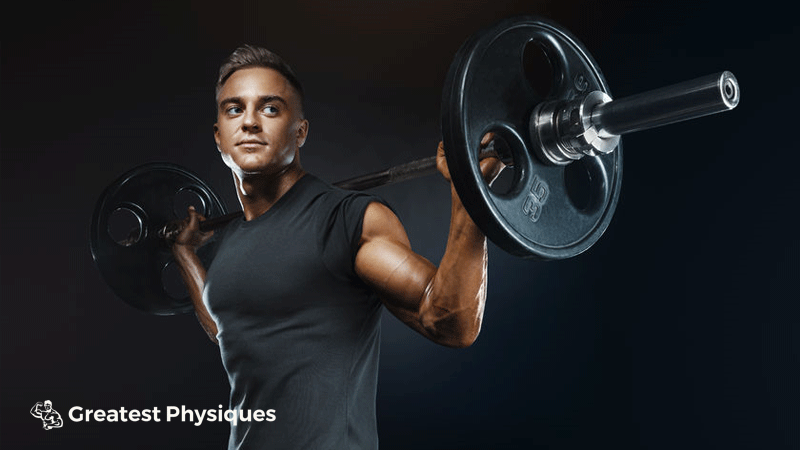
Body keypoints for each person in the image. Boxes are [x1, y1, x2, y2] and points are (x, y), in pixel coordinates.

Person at [171, 45, 503, 449]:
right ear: (219, 136)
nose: (251, 123)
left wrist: (469, 193)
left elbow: (450, 322)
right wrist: (186, 255)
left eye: (271, 109)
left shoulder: (347, 221)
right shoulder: (230, 243)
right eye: (234, 109)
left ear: (301, 130)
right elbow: (227, 330)